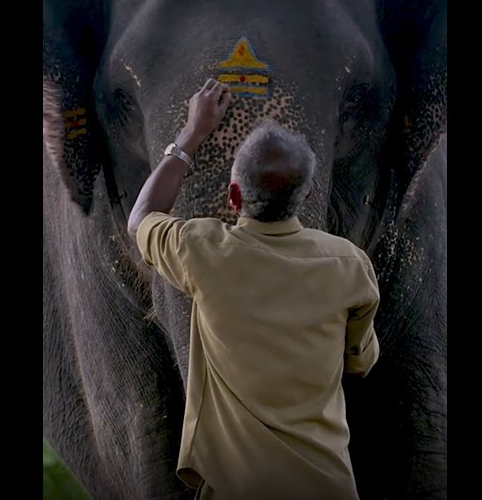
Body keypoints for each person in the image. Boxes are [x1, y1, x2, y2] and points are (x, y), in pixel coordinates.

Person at [127, 79, 381, 500]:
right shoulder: (350, 266)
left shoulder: (204, 252)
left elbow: (141, 220)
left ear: (232, 196)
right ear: (307, 196)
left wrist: (192, 134)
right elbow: (360, 361)